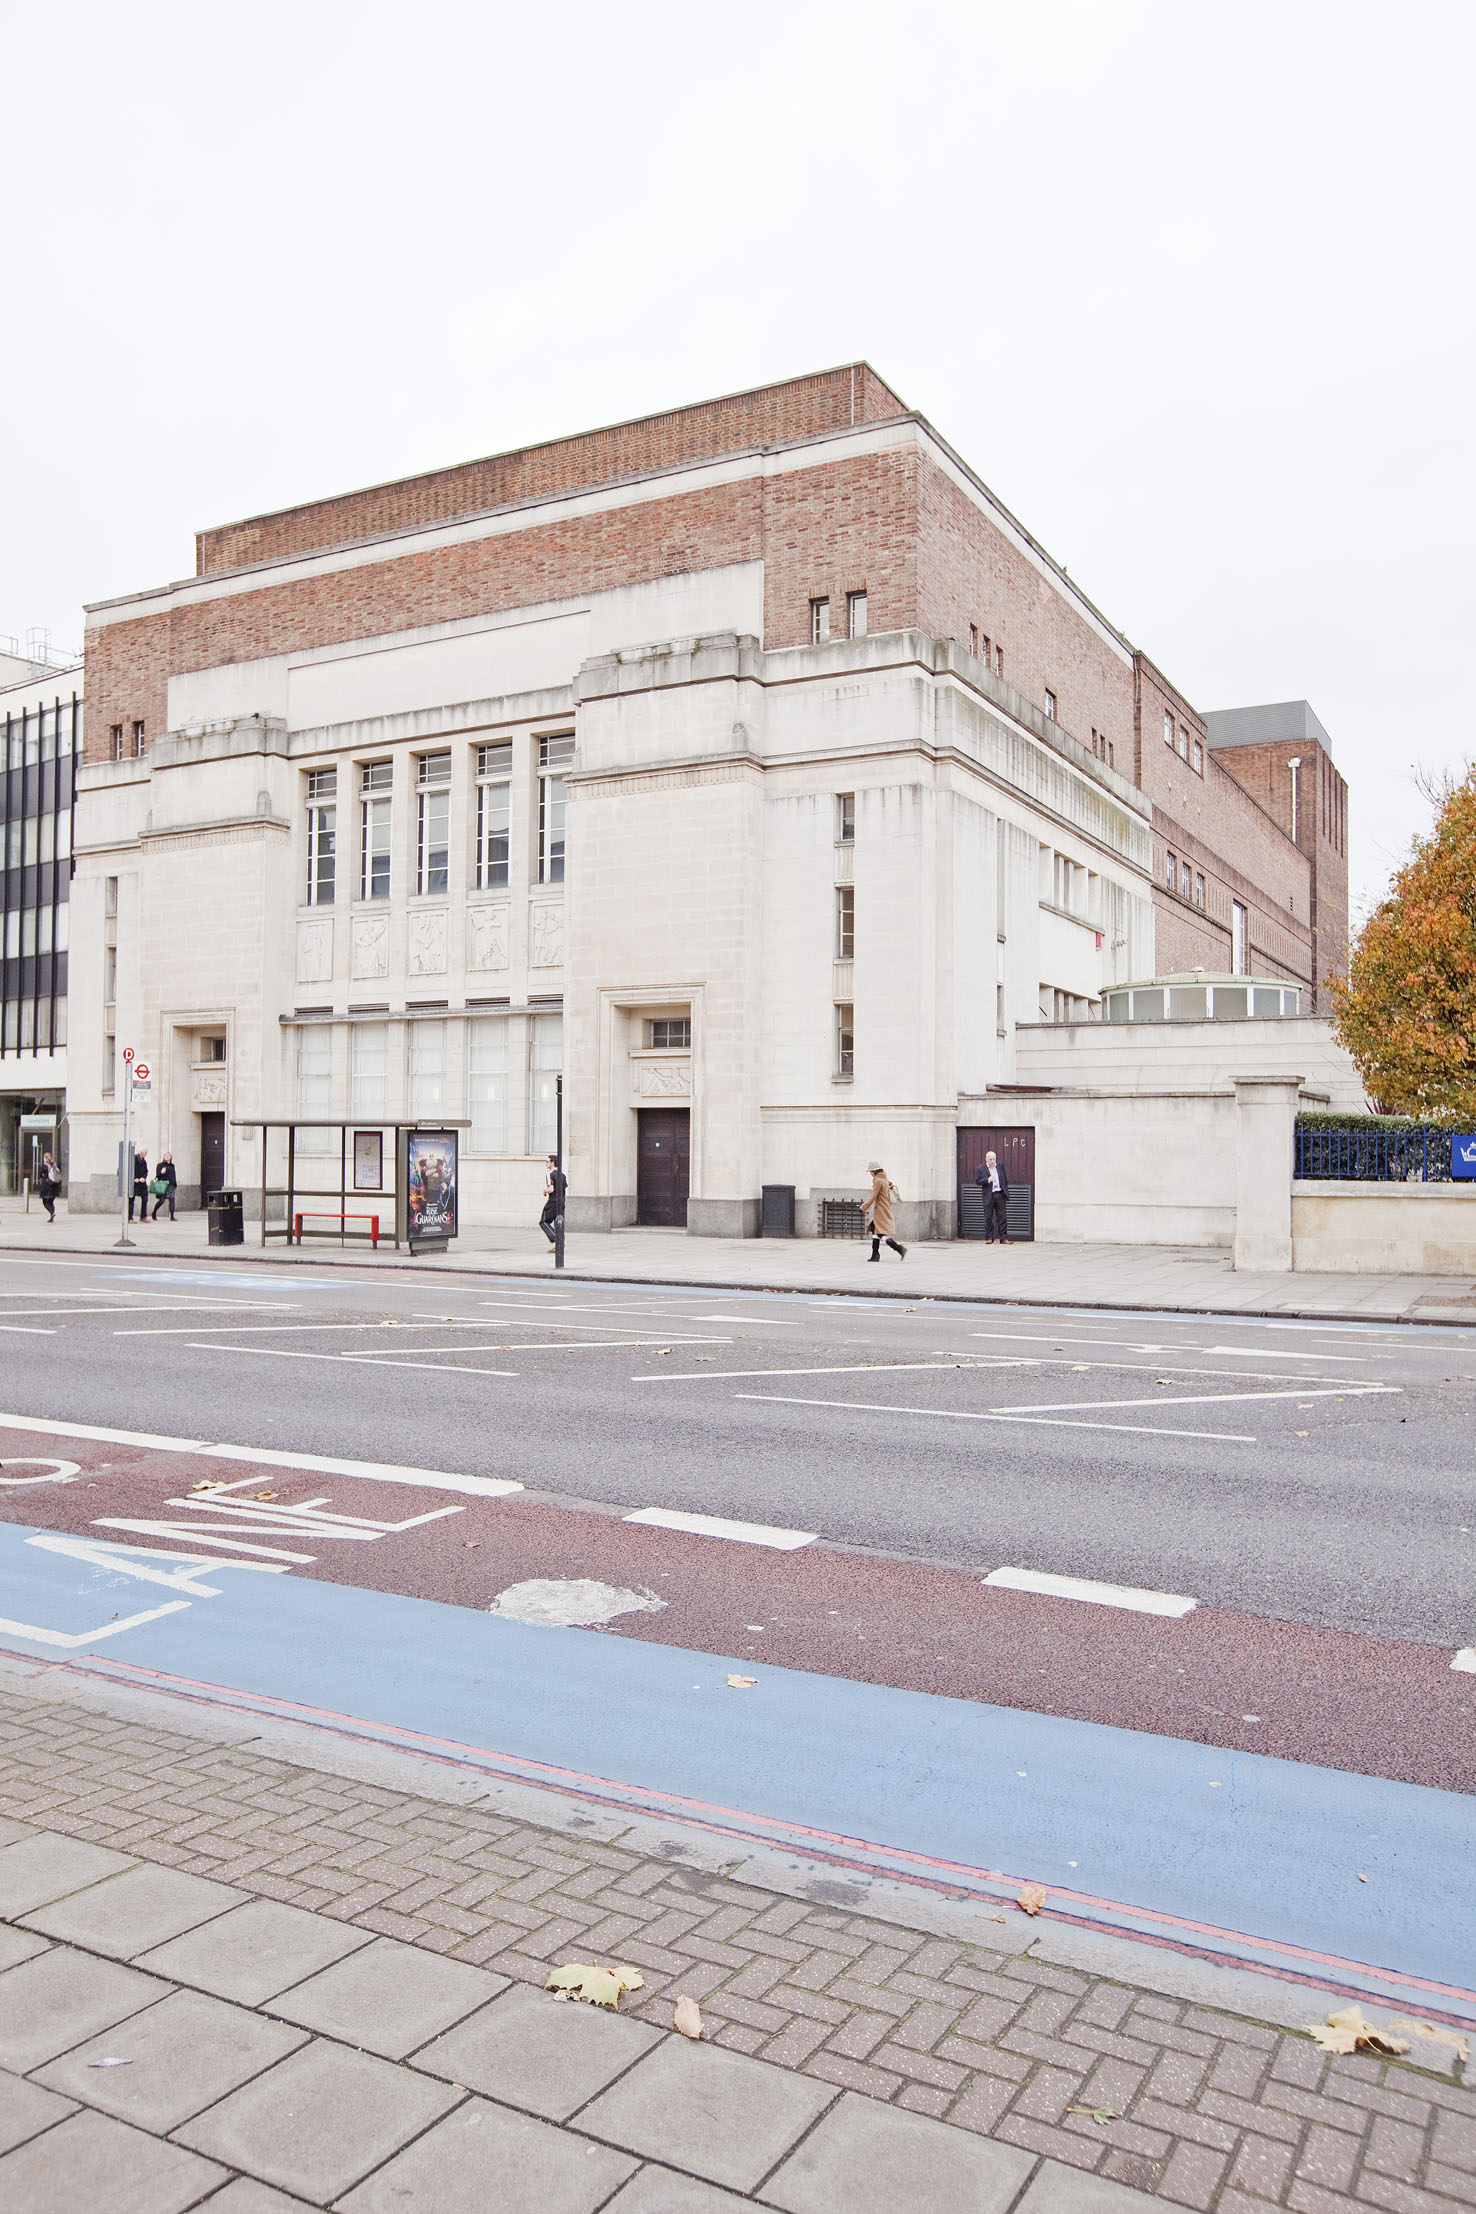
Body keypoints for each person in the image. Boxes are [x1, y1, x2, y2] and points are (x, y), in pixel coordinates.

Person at [864, 1159, 906, 1262]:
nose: (870, 1173)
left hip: (881, 1211)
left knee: (880, 1234)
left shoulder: (878, 1181)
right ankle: (876, 1255)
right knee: (876, 1232)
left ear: (874, 1171)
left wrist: (862, 1207)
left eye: (870, 1171)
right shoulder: (884, 1179)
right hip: (884, 1209)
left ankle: (899, 1249)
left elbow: (873, 1196)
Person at [975, 1148, 1010, 1244]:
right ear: (986, 1159)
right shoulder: (980, 1168)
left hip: (999, 1194)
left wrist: (1004, 1190)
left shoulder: (1000, 1166)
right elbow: (977, 1181)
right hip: (989, 1195)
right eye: (990, 1159)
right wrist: (988, 1179)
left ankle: (1003, 1238)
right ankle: (989, 1237)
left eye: (994, 1159)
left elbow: (1004, 1179)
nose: (992, 1161)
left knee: (1002, 1217)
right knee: (988, 1217)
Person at [539, 1154, 567, 1252]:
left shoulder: (549, 1175)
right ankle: (559, 1246)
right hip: (562, 1202)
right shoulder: (563, 1175)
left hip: (553, 1202)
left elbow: (551, 1189)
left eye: (547, 1162)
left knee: (543, 1221)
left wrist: (544, 1191)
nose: (546, 1164)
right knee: (558, 1223)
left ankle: (557, 1239)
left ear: (552, 1163)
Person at [150, 1152, 177, 1222]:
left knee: (172, 1200)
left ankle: (172, 1216)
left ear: (171, 1158)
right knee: (162, 1200)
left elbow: (173, 1175)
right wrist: (161, 1172)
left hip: (171, 1184)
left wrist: (175, 1183)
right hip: (163, 1185)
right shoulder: (160, 1165)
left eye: (169, 1156)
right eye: (166, 1155)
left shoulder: (172, 1166)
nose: (167, 1157)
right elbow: (157, 1176)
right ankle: (154, 1212)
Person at [37, 1152, 61, 1225]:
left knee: (45, 1202)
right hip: (55, 1186)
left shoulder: (44, 1166)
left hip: (47, 1186)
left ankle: (52, 1213)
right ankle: (52, 1215)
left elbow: (40, 1175)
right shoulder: (54, 1165)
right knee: (51, 1201)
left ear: (44, 1158)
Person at [128, 1149, 150, 1222]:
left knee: (145, 1198)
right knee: (131, 1199)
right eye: (145, 1152)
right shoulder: (133, 1159)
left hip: (142, 1182)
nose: (146, 1154)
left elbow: (146, 1171)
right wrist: (134, 1178)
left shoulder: (144, 1161)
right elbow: (130, 1169)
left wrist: (144, 1177)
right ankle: (130, 1217)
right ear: (141, 1152)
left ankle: (143, 1216)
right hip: (134, 1182)